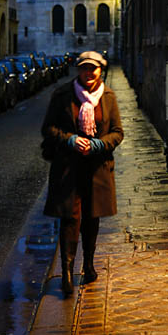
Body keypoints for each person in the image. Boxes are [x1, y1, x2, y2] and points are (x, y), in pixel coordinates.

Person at [41, 51, 124, 297]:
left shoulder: (108, 97)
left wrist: (99, 144)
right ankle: (66, 271)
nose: (89, 73)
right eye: (84, 69)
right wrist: (71, 140)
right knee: (69, 217)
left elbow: (118, 132)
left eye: (93, 69)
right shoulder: (62, 95)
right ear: (78, 70)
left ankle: (88, 265)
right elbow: (48, 128)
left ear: (101, 70)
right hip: (68, 167)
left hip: (97, 168)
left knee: (91, 217)